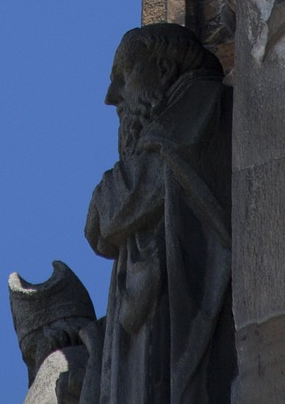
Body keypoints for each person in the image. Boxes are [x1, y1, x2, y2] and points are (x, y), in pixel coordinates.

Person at [82, 25, 234, 404]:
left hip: (184, 316)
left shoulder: (195, 105)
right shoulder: (172, 119)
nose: (112, 96)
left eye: (124, 75)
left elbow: (122, 204)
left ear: (164, 70)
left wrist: (103, 203)